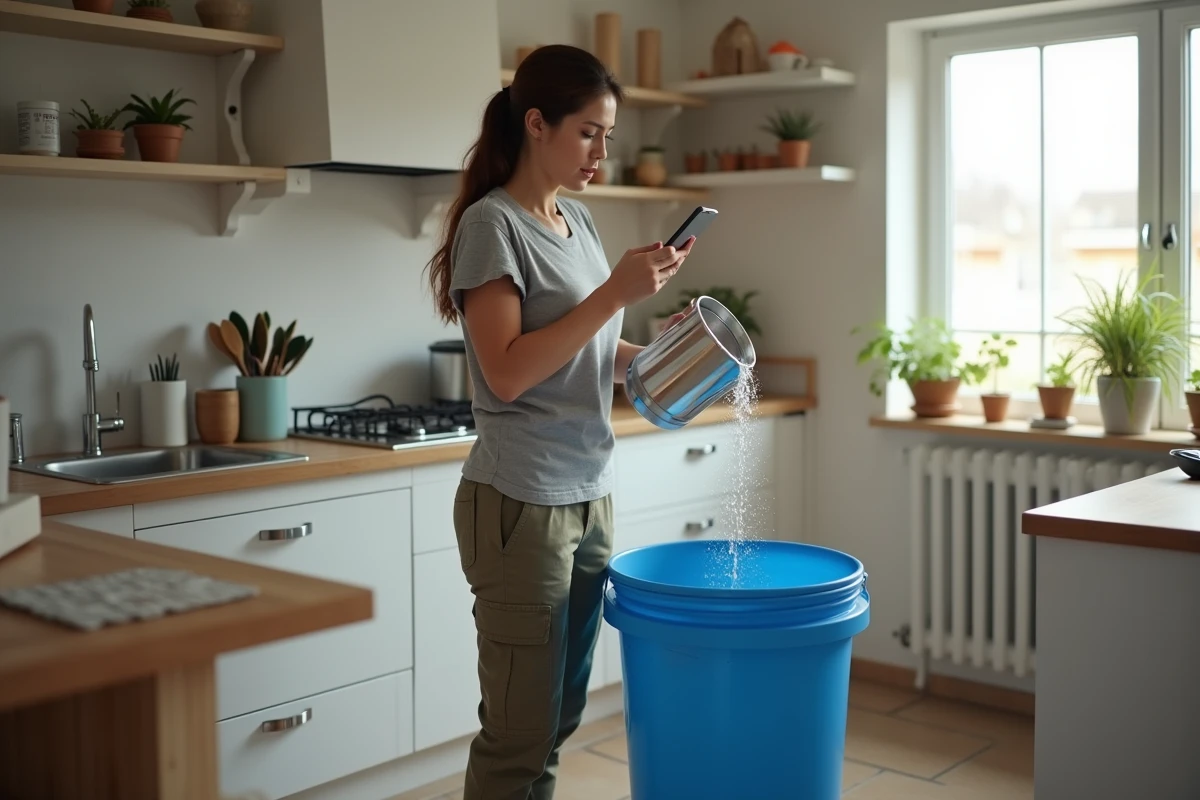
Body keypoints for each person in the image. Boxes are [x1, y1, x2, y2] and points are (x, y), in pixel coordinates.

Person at [423, 43, 694, 800]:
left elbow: (593, 351)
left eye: (608, 136)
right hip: (522, 502)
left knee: (558, 719)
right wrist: (613, 295)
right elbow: (508, 371)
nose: (601, 153)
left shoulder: (578, 221)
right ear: (537, 124)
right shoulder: (493, 225)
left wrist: (664, 353)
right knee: (519, 732)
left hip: (589, 493)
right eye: (588, 133)